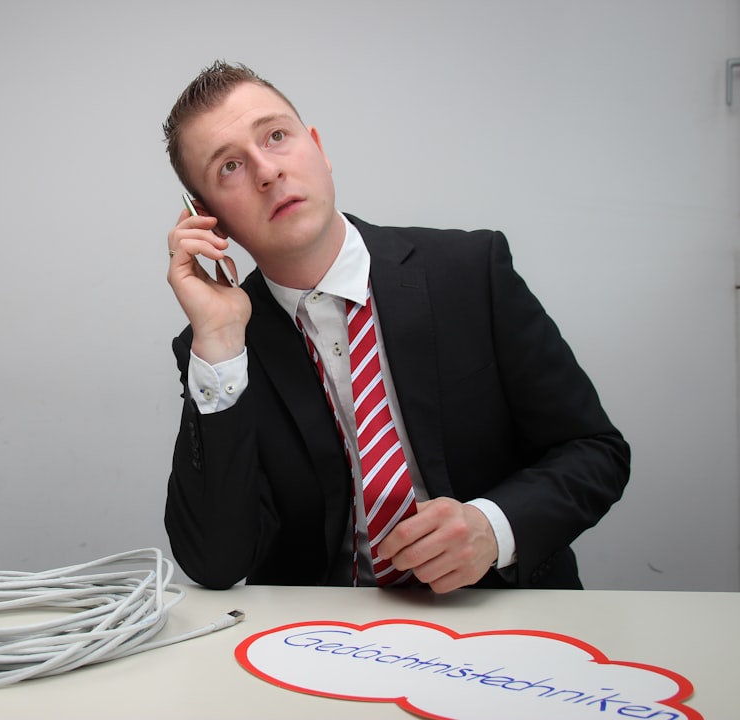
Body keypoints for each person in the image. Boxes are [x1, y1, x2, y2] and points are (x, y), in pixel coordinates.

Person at [162, 60, 629, 593]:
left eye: (276, 136)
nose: (267, 170)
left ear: (317, 147)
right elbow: (217, 563)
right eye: (230, 167)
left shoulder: (472, 270)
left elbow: (595, 449)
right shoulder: (222, 348)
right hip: (327, 638)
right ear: (207, 218)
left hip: (502, 614)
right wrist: (220, 342)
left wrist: (494, 528)